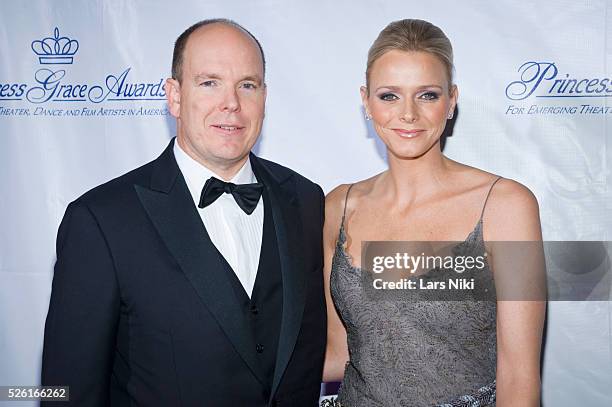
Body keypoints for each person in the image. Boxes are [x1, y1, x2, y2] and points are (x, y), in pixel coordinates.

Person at [41, 19, 326, 407]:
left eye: (247, 85)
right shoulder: (101, 221)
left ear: (264, 96)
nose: (232, 103)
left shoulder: (306, 201)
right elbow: (67, 393)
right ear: (174, 96)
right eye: (209, 82)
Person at [323, 19, 545, 406]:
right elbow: (336, 356)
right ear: (366, 100)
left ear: (452, 100)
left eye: (426, 95)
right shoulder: (337, 207)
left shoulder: (505, 206)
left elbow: (519, 379)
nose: (408, 114)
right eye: (389, 96)